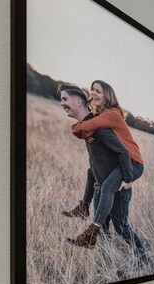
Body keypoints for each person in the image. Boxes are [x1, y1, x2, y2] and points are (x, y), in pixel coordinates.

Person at [58, 84, 144, 252]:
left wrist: (127, 178)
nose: (61, 103)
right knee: (103, 230)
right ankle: (84, 208)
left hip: (124, 176)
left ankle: (142, 256)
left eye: (64, 99)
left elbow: (123, 152)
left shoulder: (100, 125)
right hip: (104, 182)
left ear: (78, 103)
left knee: (121, 228)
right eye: (92, 91)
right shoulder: (94, 123)